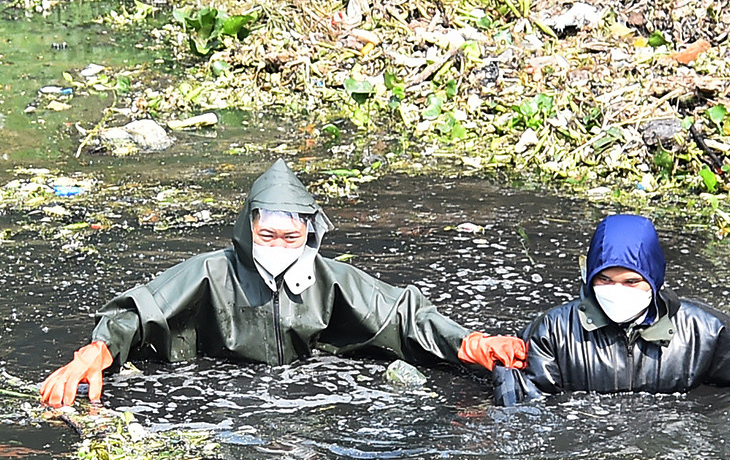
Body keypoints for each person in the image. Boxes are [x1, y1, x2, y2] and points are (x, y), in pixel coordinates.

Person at [39, 160, 527, 406]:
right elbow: (141, 310)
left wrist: (469, 343)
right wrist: (94, 352)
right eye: (266, 235)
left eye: (291, 236)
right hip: (226, 401)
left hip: (306, 400)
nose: (278, 245)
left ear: (308, 234)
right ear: (247, 230)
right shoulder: (213, 271)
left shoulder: (327, 278)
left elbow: (401, 313)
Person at [492, 214, 730, 404]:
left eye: (631, 281)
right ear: (590, 279)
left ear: (654, 280)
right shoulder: (554, 330)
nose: (617, 291)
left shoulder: (704, 331)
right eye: (605, 279)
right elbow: (527, 407)